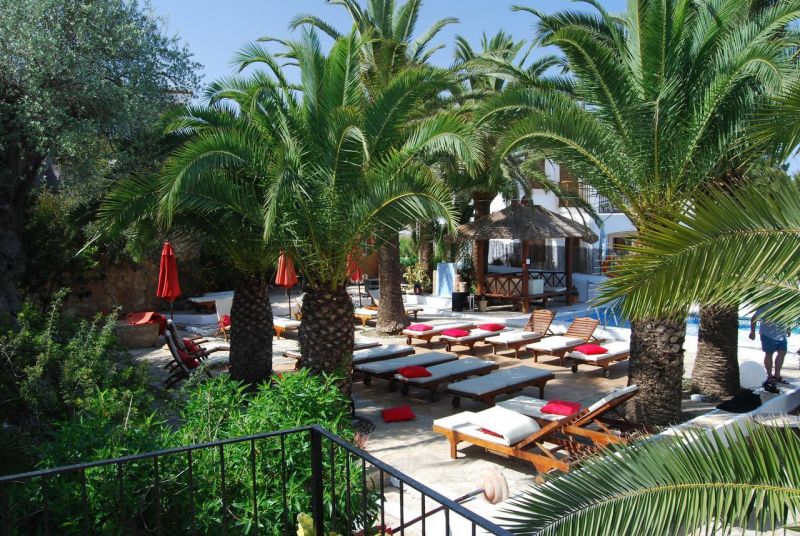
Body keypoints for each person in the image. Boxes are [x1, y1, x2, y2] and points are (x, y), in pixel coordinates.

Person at [749, 305, 790, 384]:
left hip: (781, 334)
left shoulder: (785, 303)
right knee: (769, 353)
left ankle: (777, 375)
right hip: (767, 334)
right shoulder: (766, 305)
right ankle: (770, 375)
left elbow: (788, 317)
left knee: (782, 352)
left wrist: (788, 328)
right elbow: (754, 318)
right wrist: (752, 332)